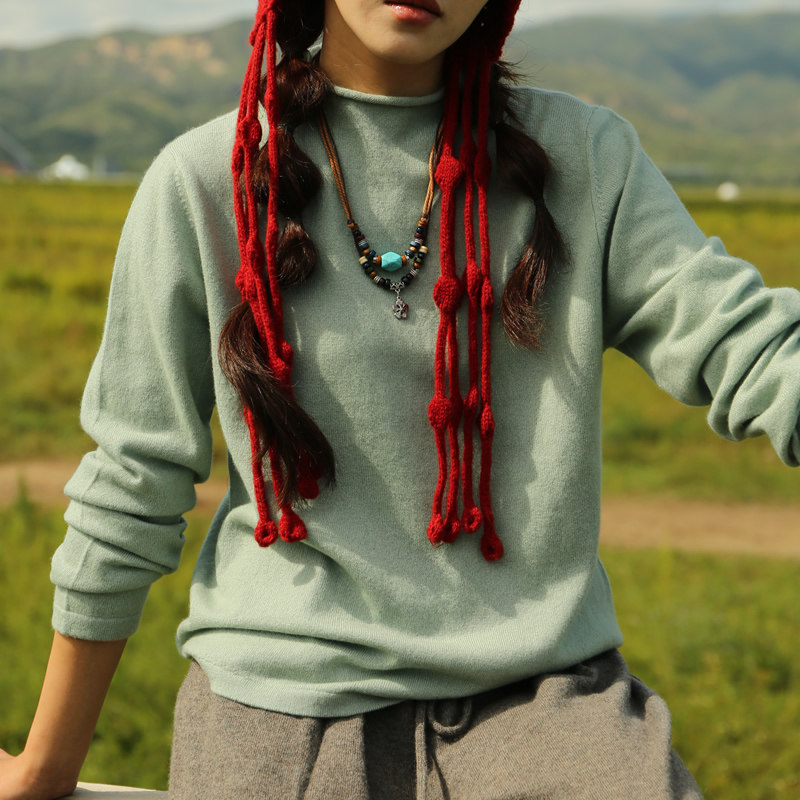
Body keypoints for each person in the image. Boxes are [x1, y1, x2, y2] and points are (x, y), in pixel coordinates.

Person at [2, 0, 798, 797]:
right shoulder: (206, 180)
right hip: (277, 712)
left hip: (552, 713)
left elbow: (748, 342)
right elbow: (133, 479)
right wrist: (48, 763)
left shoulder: (587, 159)